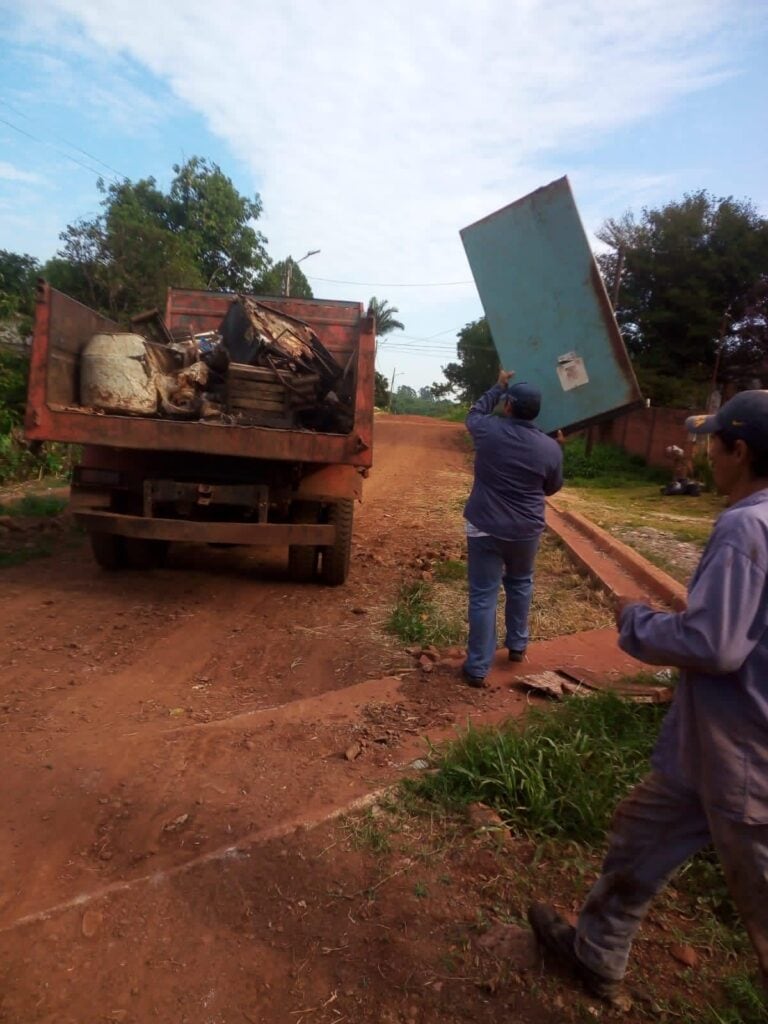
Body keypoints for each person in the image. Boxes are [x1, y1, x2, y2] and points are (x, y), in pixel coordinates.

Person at [528, 389, 768, 1004]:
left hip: (746, 755)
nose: (705, 453)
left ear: (738, 450)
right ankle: (596, 954)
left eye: (713, 442)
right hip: (706, 742)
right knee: (639, 834)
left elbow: (714, 646)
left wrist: (636, 619)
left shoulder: (745, 527)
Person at [462, 369, 563, 687]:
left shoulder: (488, 430)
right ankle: (517, 646)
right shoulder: (550, 448)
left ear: (507, 406)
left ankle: (478, 668)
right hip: (526, 530)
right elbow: (551, 488)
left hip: (484, 526)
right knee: (520, 584)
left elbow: (473, 413)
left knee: (483, 595)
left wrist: (497, 385)